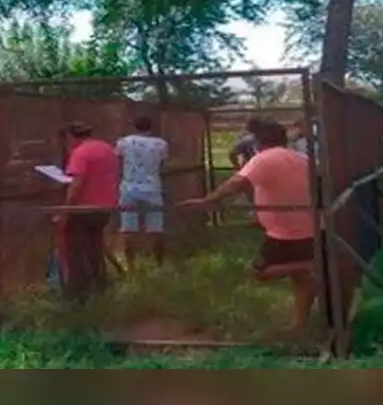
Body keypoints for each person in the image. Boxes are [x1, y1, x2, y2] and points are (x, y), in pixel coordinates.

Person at [181, 120, 327, 332]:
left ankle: (312, 265)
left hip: (285, 233)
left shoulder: (263, 158)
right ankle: (299, 323)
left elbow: (236, 183)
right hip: (310, 227)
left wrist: (208, 201)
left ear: (259, 141)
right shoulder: (302, 158)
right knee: (300, 278)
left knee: (262, 272)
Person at [56, 121, 119, 303]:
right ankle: (100, 286)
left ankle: (78, 294)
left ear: (71, 137)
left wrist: (65, 209)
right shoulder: (107, 149)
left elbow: (76, 185)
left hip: (84, 207)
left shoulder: (80, 153)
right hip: (105, 206)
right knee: (94, 246)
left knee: (75, 250)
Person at [115, 115, 169, 267]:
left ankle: (130, 264)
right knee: (156, 228)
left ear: (134, 126)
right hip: (152, 188)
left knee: (128, 229)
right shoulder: (161, 144)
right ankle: (159, 263)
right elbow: (162, 165)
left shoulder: (124, 142)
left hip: (129, 187)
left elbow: (118, 162)